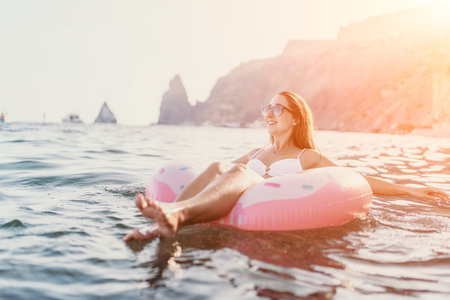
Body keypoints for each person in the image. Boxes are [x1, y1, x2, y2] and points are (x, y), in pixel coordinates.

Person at [123, 91, 449, 241]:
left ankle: (175, 216)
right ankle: (163, 222)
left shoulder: (306, 157)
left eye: (278, 108)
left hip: (268, 212)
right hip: (230, 200)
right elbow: (213, 173)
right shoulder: (255, 152)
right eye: (268, 107)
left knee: (239, 171)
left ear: (295, 119)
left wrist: (411, 190)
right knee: (224, 166)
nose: (270, 112)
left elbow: (356, 178)